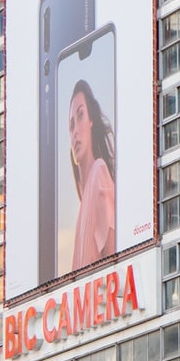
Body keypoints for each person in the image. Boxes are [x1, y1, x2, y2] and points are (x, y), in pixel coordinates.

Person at [66, 80, 118, 273]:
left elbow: (113, 260)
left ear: (91, 121)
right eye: (71, 125)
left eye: (80, 116)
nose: (75, 131)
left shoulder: (99, 172)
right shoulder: (83, 205)